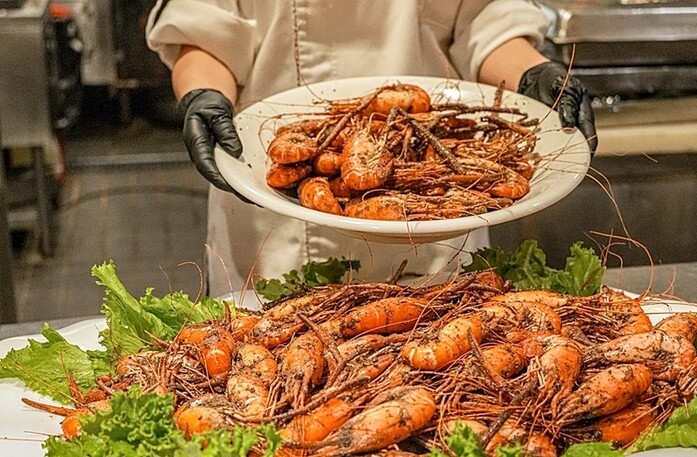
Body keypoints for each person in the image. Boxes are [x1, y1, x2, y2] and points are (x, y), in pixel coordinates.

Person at [146, 1, 596, 298]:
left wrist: (531, 74)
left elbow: (487, 21)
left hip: (434, 201)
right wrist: (203, 94)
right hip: (272, 204)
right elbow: (204, 29)